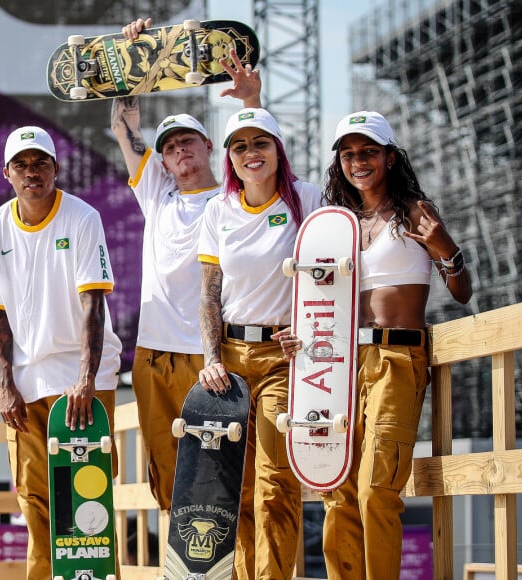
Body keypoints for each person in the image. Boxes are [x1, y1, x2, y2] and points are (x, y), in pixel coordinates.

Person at [278, 111, 473, 579]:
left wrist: (447, 249)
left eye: (368, 151)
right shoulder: (336, 225)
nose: (358, 161)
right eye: (348, 154)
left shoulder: (415, 212)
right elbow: (324, 302)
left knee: (375, 489)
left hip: (396, 358)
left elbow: (463, 292)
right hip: (339, 362)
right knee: (336, 488)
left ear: (389, 156)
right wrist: (299, 335)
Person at [110, 18, 263, 514]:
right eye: (170, 146)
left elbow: (262, 152)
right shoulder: (157, 194)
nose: (178, 150)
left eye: (187, 142)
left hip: (210, 356)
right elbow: (123, 127)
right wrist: (131, 62)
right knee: (167, 472)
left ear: (209, 148)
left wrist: (249, 102)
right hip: (153, 356)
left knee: (224, 476)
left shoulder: (232, 198)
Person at [0, 126, 123, 579]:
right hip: (26, 380)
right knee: (34, 499)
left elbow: (92, 303)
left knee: (88, 499)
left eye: (40, 163)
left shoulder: (82, 217)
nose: (31, 172)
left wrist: (85, 380)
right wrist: (5, 385)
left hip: (83, 379)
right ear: (6, 173)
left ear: (56, 168)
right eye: (21, 164)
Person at [197, 107, 322, 579]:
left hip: (282, 359)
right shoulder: (218, 209)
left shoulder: (305, 198)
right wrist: (211, 358)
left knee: (275, 485)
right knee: (237, 488)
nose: (252, 153)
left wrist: (310, 325)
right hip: (229, 359)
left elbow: (330, 271)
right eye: (240, 145)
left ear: (277, 149)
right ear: (229, 156)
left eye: (261, 143)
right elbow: (210, 291)